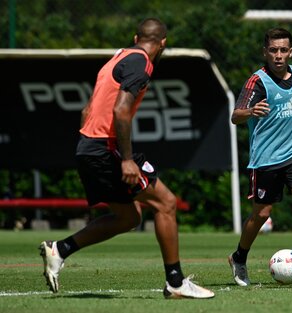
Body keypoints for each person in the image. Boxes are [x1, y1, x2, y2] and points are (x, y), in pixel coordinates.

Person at [39, 18, 214, 299]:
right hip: (105, 148)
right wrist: (127, 160)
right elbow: (121, 111)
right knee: (166, 203)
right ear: (163, 43)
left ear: (136, 37)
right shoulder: (142, 63)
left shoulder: (117, 58)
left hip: (88, 147)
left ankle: (60, 249)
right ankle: (176, 282)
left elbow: (86, 111)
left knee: (128, 216)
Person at [228, 28, 292, 286]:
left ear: (291, 51)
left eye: (283, 50)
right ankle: (239, 257)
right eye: (273, 50)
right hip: (267, 158)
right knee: (261, 214)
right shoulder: (257, 82)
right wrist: (251, 111)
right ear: (265, 52)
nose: (278, 55)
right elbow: (235, 116)